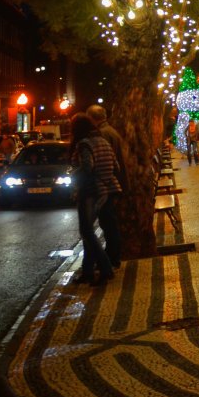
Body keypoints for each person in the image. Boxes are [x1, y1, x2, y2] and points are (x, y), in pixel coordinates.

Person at [68, 113, 120, 287]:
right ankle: (88, 271)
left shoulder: (84, 144)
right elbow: (116, 166)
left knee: (87, 231)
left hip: (90, 191)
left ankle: (105, 268)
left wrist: (71, 174)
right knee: (88, 232)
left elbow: (87, 168)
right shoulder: (103, 141)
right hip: (105, 191)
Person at [86, 104, 125, 269]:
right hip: (113, 184)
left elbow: (107, 163)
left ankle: (110, 258)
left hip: (106, 186)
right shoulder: (111, 131)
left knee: (107, 224)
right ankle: (111, 257)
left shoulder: (102, 135)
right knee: (109, 223)